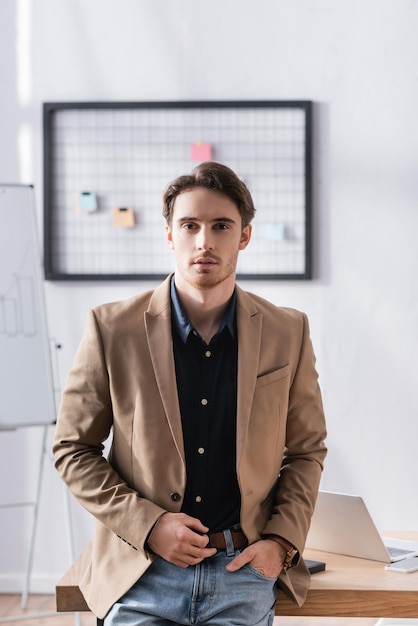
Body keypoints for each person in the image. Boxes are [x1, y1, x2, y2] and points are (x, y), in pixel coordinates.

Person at [53, 161, 327, 625]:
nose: (205, 241)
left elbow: (306, 450)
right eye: (190, 226)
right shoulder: (111, 328)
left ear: (244, 236)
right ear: (169, 235)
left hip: (242, 571)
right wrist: (150, 525)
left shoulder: (288, 331)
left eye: (221, 226)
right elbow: (72, 450)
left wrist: (280, 543)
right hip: (141, 572)